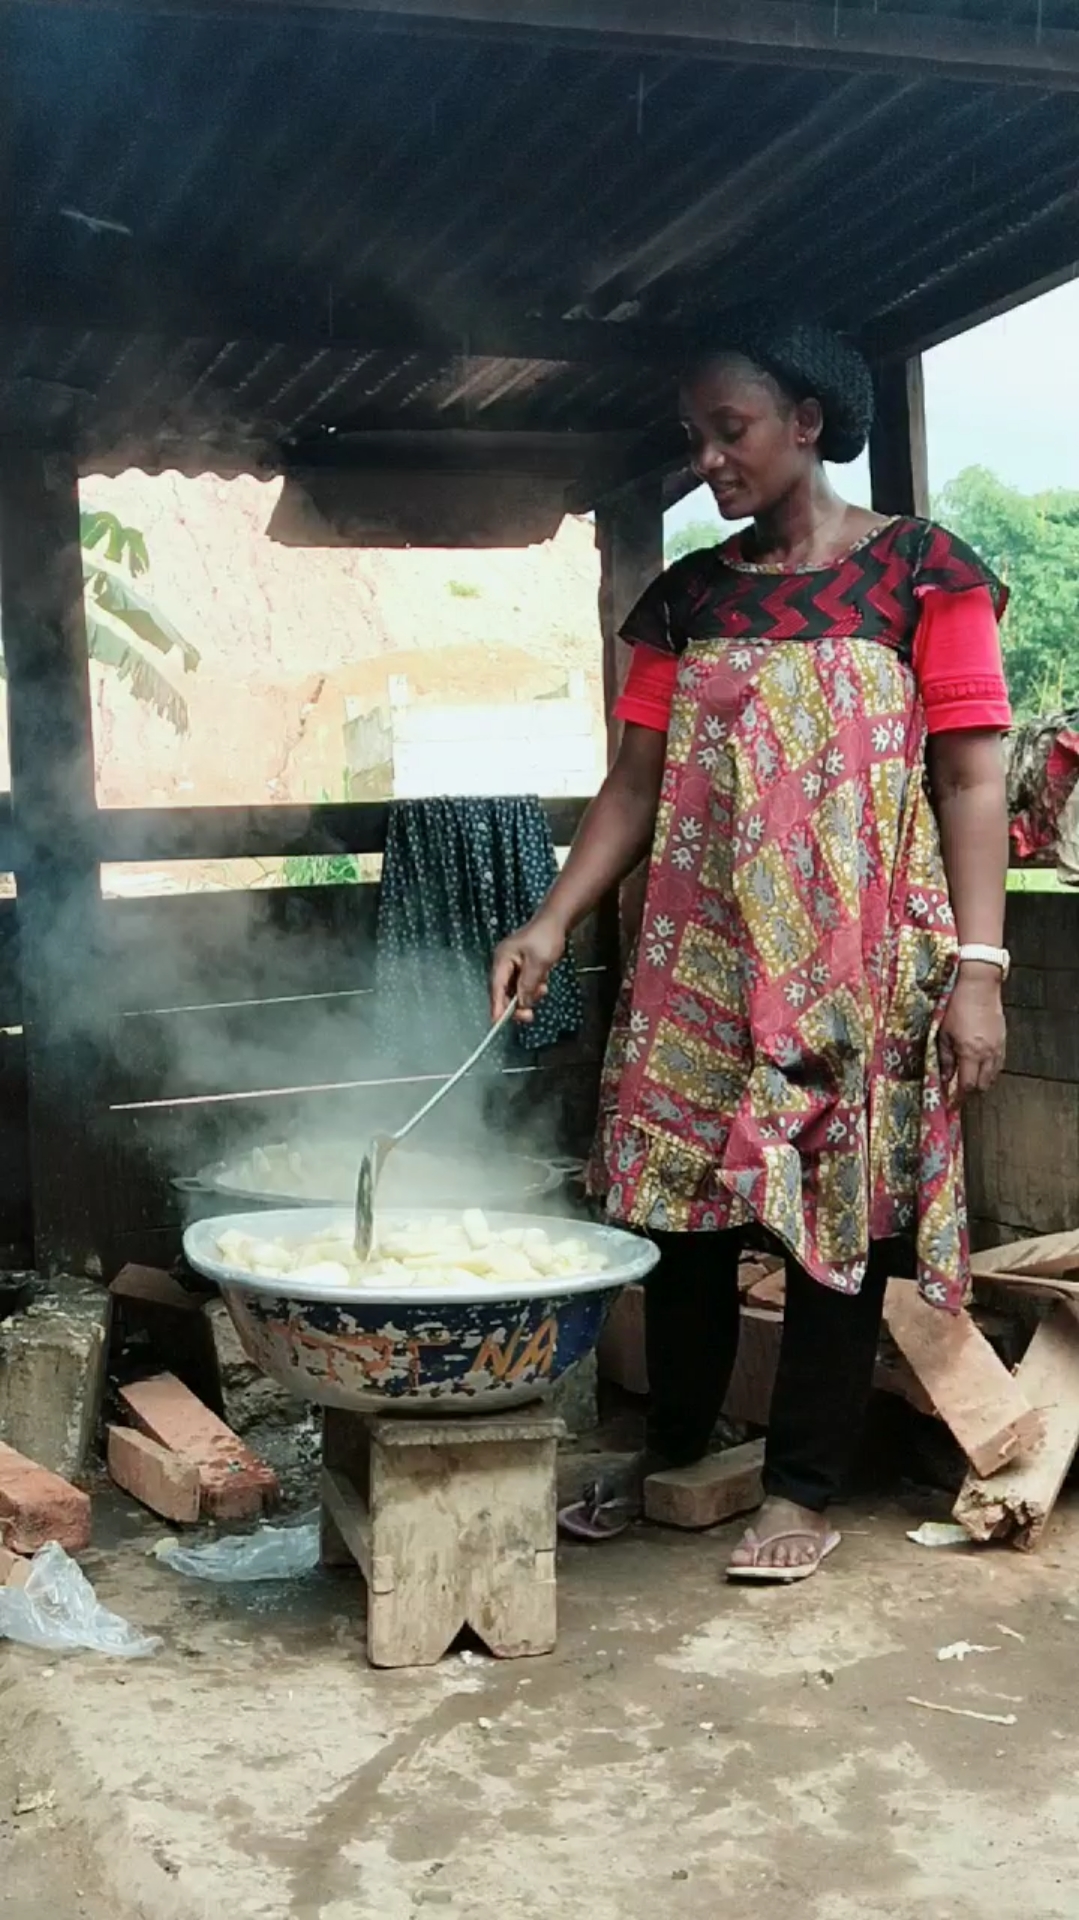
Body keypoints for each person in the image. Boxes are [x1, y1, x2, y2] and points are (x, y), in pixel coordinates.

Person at [492, 315, 1012, 1584]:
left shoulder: (921, 576)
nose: (708, 458)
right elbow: (632, 783)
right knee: (678, 1217)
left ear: (807, 426)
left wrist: (980, 971)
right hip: (698, 960)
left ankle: (799, 1487)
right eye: (694, 438)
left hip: (860, 961)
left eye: (728, 431)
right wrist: (550, 922)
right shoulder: (686, 596)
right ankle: (677, 1457)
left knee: (835, 1219)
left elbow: (969, 776)